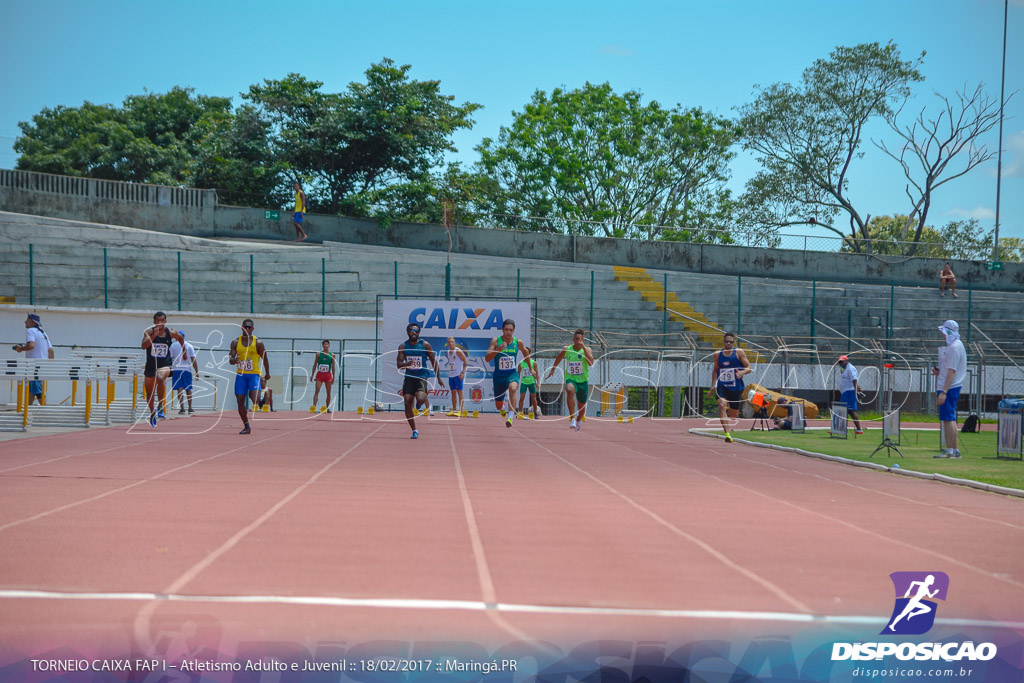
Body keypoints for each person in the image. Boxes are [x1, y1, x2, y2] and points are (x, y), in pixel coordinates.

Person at [397, 322, 442, 439]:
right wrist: (407, 364)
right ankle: (414, 430)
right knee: (407, 403)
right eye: (412, 331)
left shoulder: (425, 345)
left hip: (421, 375)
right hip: (409, 377)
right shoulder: (403, 346)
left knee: (421, 398)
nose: (414, 333)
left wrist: (439, 377)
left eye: (416, 331)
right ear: (407, 332)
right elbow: (399, 365)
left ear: (419, 333)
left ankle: (419, 403)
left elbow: (433, 361)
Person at [544, 329, 594, 431]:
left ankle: (579, 419)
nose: (578, 341)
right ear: (573, 340)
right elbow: (559, 357)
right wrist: (553, 369)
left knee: (581, 407)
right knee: (569, 390)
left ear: (583, 340)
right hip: (571, 378)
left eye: (580, 339)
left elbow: (591, 363)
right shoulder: (567, 349)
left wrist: (584, 348)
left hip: (583, 381)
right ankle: (573, 418)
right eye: (576, 339)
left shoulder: (587, 350)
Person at [141, 312, 185, 428]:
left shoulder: (170, 332)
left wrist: (184, 351)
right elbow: (143, 345)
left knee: (160, 377)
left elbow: (180, 338)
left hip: (165, 365)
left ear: (165, 321)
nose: (160, 323)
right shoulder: (149, 332)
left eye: (162, 321)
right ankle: (153, 413)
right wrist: (154, 336)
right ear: (154, 322)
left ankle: (161, 406)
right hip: (151, 365)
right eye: (158, 321)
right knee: (149, 393)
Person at [228, 319, 270, 435]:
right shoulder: (235, 342)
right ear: (242, 328)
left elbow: (265, 359)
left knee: (254, 399)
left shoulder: (258, 343)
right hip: (241, 375)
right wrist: (233, 360)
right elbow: (230, 358)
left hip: (254, 374)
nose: (247, 329)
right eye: (245, 327)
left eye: (249, 327)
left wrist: (267, 373)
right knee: (240, 401)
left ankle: (262, 399)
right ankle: (246, 426)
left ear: (252, 329)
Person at [485, 319, 529, 428]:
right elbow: (487, 358)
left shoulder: (518, 342)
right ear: (502, 330)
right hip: (499, 376)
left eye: (511, 330)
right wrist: (498, 350)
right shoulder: (496, 341)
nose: (508, 332)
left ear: (514, 330)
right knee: (498, 404)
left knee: (513, 388)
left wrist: (530, 366)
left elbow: (525, 352)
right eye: (506, 330)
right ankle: (503, 408)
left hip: (511, 373)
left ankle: (510, 417)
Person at [934, 319, 967, 458]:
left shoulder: (954, 348)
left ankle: (953, 449)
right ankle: (950, 449)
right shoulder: (955, 346)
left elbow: (952, 372)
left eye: (943, 332)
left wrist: (944, 392)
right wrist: (939, 371)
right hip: (949, 385)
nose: (942, 335)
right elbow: (948, 369)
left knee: (949, 418)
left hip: (950, 387)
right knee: (947, 418)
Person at [711, 331, 752, 443]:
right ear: (723, 342)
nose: (728, 343)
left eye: (731, 342)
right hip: (722, 385)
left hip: (736, 386)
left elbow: (749, 367)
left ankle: (730, 426)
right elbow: (715, 370)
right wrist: (712, 386)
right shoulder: (718, 354)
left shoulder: (739, 352)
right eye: (726, 342)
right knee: (721, 404)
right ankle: (727, 434)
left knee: (733, 415)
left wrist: (742, 373)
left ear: (734, 342)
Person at [13, 313, 54, 405]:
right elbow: (51, 350)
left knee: (37, 390)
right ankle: (28, 408)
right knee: (32, 388)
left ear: (32, 322)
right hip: (42, 365)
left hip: (34, 365)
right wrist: (50, 365)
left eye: (27, 320)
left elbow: (31, 345)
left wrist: (21, 349)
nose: (25, 322)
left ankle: (45, 409)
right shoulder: (43, 333)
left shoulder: (31, 331)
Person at [170, 334, 198, 415]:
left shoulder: (173, 346)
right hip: (187, 369)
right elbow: (193, 359)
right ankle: (190, 408)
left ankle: (182, 408)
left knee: (179, 388)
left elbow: (170, 357)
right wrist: (196, 371)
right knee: (188, 389)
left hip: (176, 369)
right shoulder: (189, 346)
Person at [837, 354, 865, 434]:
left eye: (842, 362)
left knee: (847, 410)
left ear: (847, 361)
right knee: (850, 411)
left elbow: (854, 380)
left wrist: (857, 391)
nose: (840, 363)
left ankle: (842, 429)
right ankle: (858, 429)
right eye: (839, 362)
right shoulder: (843, 368)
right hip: (846, 392)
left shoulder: (850, 369)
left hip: (849, 392)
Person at [310, 340, 337, 413]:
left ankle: (327, 408)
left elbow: (333, 367)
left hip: (328, 375)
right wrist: (312, 375)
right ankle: (314, 407)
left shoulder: (332, 355)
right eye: (324, 344)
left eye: (327, 344)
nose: (326, 346)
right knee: (317, 390)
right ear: (322, 346)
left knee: (328, 392)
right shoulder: (318, 354)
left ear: (329, 346)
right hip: (320, 374)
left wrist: (334, 377)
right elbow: (315, 365)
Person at [444, 337, 468, 417]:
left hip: (458, 375)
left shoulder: (458, 351)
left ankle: (460, 411)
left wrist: (463, 372)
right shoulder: (447, 352)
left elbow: (465, 361)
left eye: (452, 342)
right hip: (451, 375)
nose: (451, 343)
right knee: (453, 392)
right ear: (447, 344)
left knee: (460, 392)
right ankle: (454, 410)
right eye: (449, 342)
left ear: (454, 343)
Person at [517, 352, 541, 419]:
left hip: (532, 383)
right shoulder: (521, 364)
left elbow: (537, 374)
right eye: (525, 354)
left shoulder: (533, 363)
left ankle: (535, 413)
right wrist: (516, 383)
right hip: (524, 383)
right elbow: (518, 375)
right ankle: (520, 413)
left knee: (533, 398)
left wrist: (538, 383)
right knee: (522, 397)